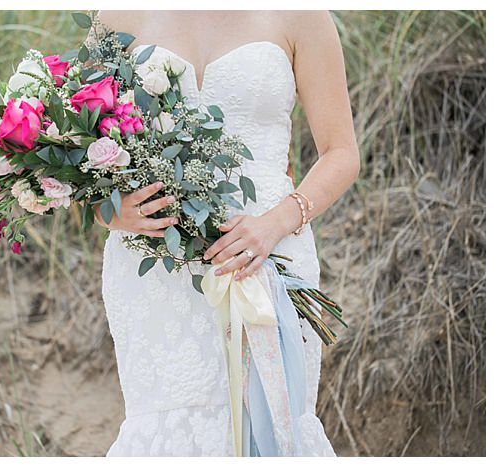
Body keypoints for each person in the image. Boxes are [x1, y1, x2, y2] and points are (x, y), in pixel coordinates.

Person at [92, 10, 360, 456]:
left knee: (273, 422)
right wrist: (114, 213)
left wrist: (275, 224)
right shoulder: (117, 13)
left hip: (268, 255)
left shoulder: (301, 13)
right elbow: (83, 159)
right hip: (155, 269)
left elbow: (341, 152)